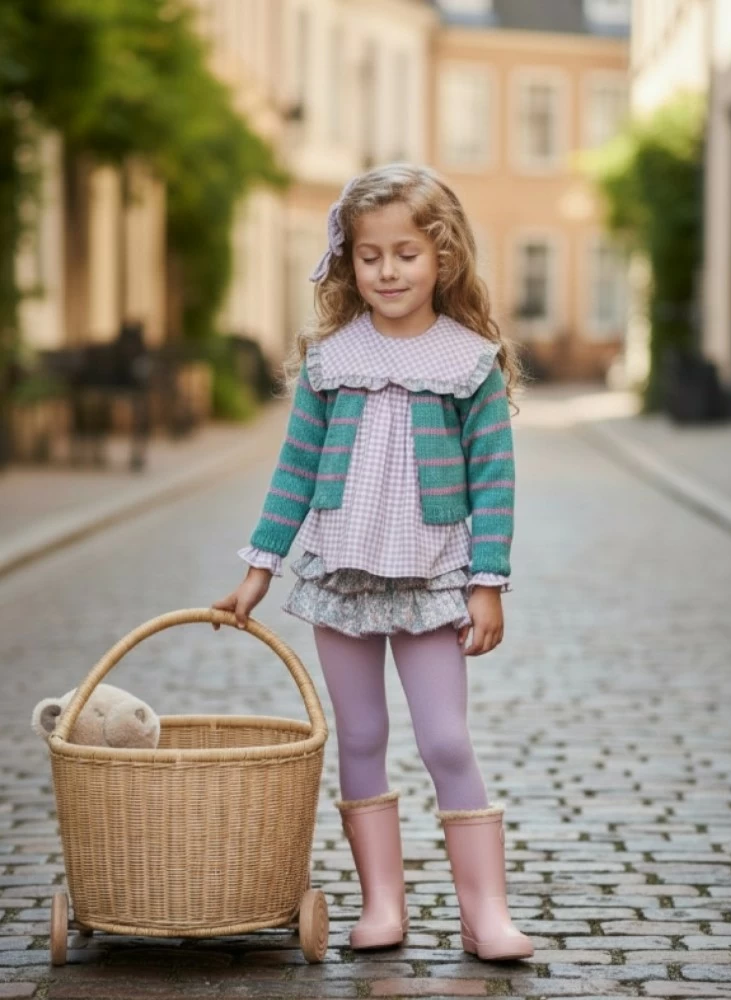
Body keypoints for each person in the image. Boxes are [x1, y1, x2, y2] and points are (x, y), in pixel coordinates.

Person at [212, 164, 533, 962]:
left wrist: (487, 582)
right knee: (359, 735)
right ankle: (381, 905)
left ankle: (484, 913)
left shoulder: (469, 362)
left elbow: (494, 477)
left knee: (446, 742)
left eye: (406, 255)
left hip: (433, 577)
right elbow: (294, 470)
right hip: (341, 574)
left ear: (444, 258)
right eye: (369, 256)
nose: (387, 272)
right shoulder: (330, 360)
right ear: (347, 263)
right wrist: (259, 567)